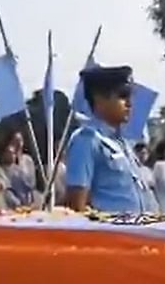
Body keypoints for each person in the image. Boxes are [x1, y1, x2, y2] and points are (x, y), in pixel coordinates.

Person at [64, 65, 155, 213]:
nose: (130, 104)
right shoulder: (87, 140)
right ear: (99, 98)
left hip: (139, 231)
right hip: (111, 233)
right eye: (122, 95)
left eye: (130, 96)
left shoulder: (123, 144)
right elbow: (76, 205)